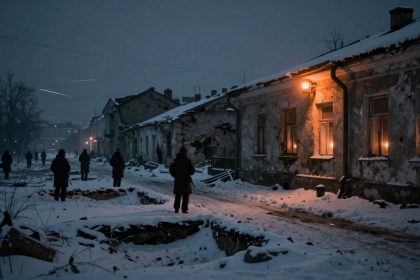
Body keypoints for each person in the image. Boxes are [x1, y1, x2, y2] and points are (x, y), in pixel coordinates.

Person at [169, 147, 195, 214]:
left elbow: (171, 170)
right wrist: (187, 173)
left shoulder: (175, 161)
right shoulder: (188, 161)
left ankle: (176, 209)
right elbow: (192, 171)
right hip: (186, 181)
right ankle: (184, 210)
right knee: (185, 196)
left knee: (178, 195)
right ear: (185, 152)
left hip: (178, 180)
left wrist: (176, 176)